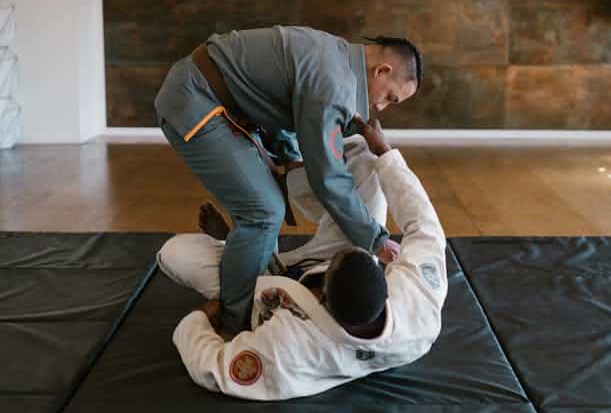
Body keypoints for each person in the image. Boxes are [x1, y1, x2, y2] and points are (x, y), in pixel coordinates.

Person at [154, 26, 421, 335]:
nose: (381, 107)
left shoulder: (336, 57)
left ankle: (240, 247)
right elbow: (327, 176)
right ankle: (233, 325)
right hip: (196, 98)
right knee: (265, 212)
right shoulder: (334, 84)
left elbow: (279, 107)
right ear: (382, 70)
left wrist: (286, 157)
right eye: (390, 97)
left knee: (267, 212)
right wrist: (376, 239)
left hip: (217, 99)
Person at [157, 118, 447, 400]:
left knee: (174, 254)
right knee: (362, 152)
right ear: (386, 287)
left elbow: (214, 369)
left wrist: (202, 318)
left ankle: (237, 242)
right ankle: (290, 173)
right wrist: (386, 153)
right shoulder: (417, 312)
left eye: (331, 267)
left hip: (260, 285)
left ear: (322, 296)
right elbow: (425, 227)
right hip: (329, 271)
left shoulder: (292, 347)